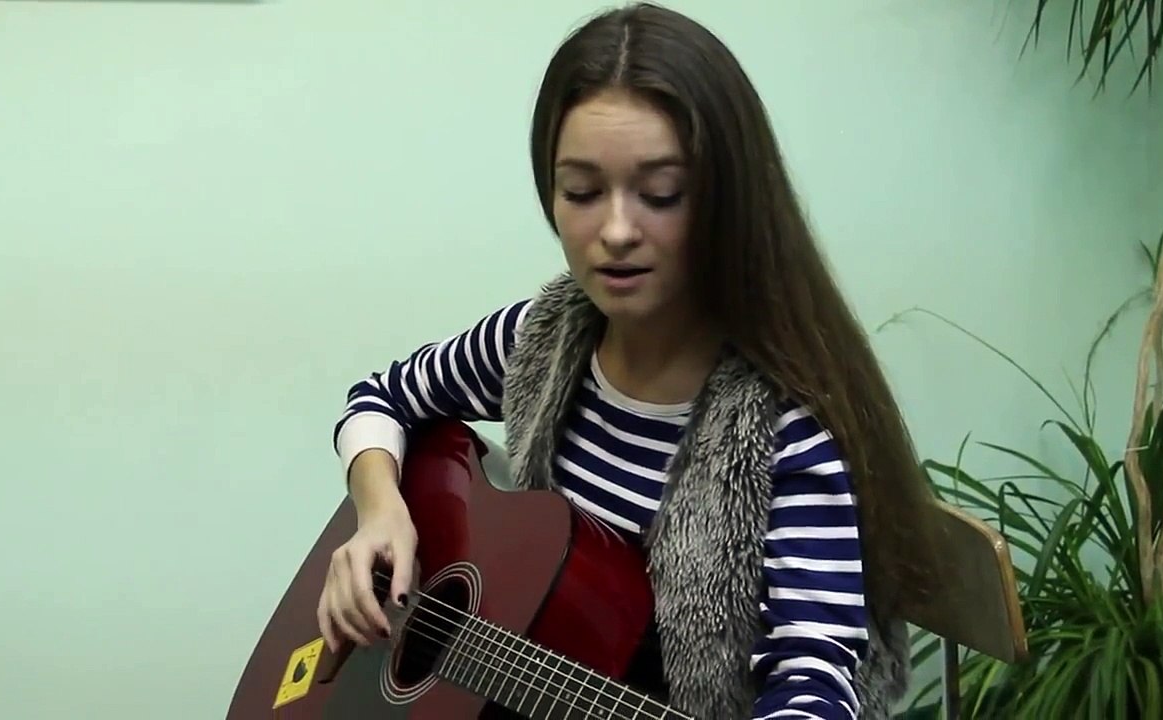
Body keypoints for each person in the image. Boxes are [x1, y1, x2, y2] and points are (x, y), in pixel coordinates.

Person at [318, 3, 943, 718]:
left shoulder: (788, 435)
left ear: (725, 203)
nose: (615, 231)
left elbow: (815, 681)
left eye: (661, 194)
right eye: (581, 192)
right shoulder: (541, 342)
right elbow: (382, 398)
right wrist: (378, 513)